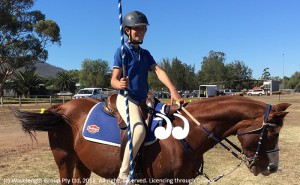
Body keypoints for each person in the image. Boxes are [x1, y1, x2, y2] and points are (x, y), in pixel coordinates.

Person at [110, 11, 183, 183]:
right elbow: (113, 79)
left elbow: (158, 71)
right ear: (127, 31)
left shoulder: (146, 53)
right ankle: (123, 174)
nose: (141, 32)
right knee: (139, 130)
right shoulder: (122, 51)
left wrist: (173, 90)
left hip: (145, 99)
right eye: (137, 29)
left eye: (143, 29)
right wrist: (119, 84)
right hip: (127, 99)